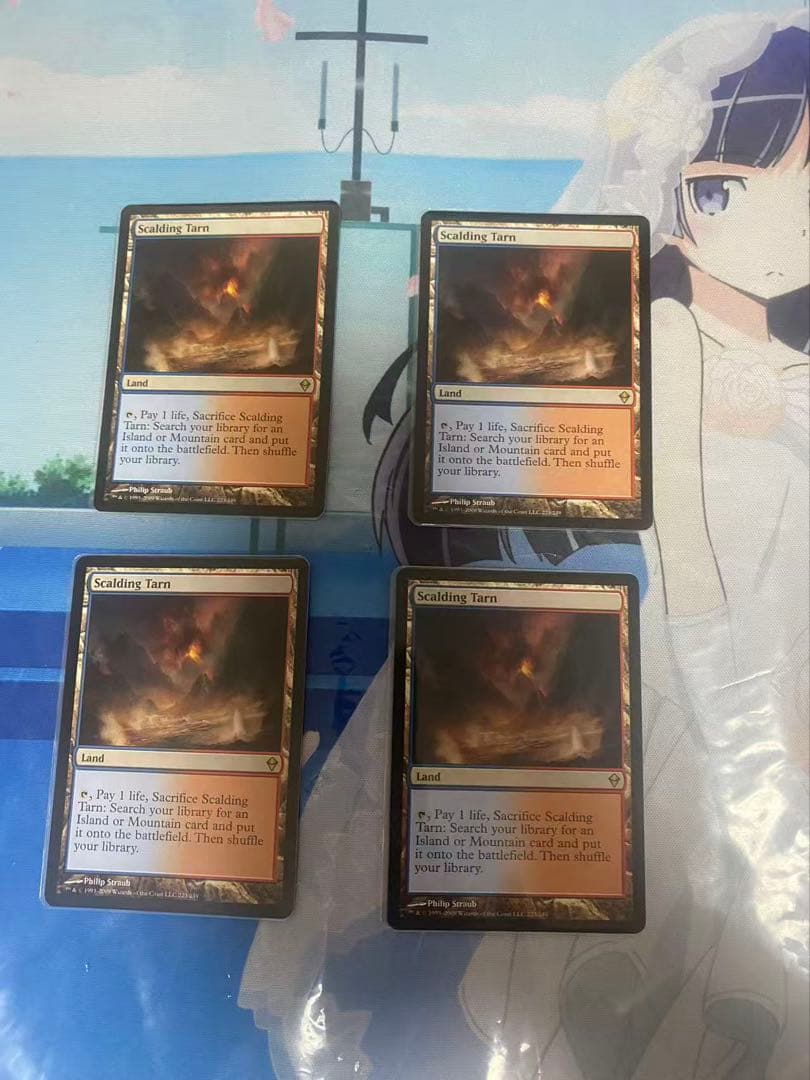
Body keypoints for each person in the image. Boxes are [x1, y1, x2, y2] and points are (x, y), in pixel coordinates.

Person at [240, 11, 809, 1078]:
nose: (788, 216)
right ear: (684, 193)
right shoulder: (651, 343)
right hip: (669, 676)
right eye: (731, 185)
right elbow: (687, 563)